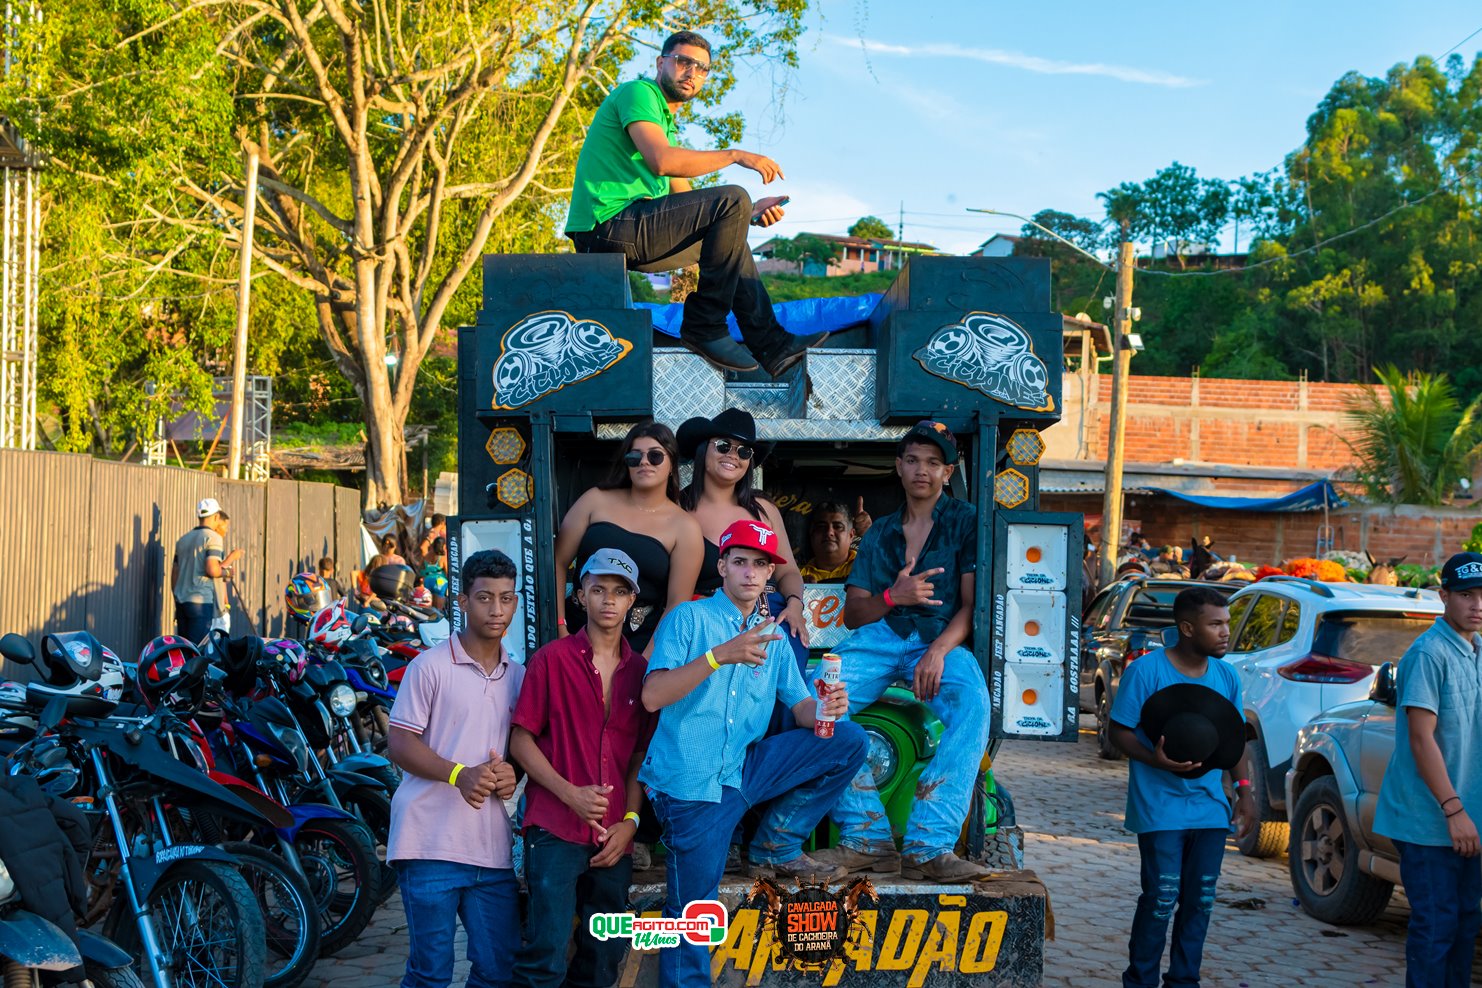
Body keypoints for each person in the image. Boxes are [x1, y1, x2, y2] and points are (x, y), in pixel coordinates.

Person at [640, 519, 866, 988]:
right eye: (739, 561)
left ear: (769, 575)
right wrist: (719, 656)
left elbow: (801, 707)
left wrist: (827, 705)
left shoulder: (774, 637)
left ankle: (774, 843)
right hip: (691, 784)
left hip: (742, 772)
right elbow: (652, 696)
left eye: (760, 564)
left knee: (848, 740)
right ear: (721, 565)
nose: (749, 572)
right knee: (693, 908)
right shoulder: (689, 618)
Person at [565, 30, 827, 378]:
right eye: (684, 62)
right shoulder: (638, 93)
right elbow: (661, 161)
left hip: (631, 232)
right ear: (661, 63)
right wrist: (735, 155)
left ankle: (773, 346)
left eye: (702, 68)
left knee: (733, 230)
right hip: (605, 226)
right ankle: (704, 325)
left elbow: (687, 203)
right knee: (732, 197)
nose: (692, 73)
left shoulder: (666, 125)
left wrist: (746, 217)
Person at [808, 421, 988, 883]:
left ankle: (929, 845)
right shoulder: (882, 532)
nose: (921, 470)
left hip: (939, 638)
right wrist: (896, 596)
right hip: (884, 635)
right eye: (912, 460)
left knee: (973, 704)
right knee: (817, 697)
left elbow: (969, 606)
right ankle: (868, 837)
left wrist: (939, 651)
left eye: (932, 462)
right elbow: (853, 615)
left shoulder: (966, 520)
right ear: (898, 467)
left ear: (947, 471)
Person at [509, 549, 653, 988]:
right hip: (554, 828)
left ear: (632, 602)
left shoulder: (643, 673)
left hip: (614, 837)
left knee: (602, 959)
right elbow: (520, 740)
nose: (608, 600)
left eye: (619, 591)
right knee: (544, 956)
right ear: (580, 597)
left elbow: (637, 760)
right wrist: (568, 792)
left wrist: (630, 822)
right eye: (598, 590)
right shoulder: (551, 660)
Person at [385, 549, 526, 988]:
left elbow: (519, 751)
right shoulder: (428, 667)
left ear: (516, 602)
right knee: (431, 973)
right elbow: (399, 743)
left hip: (491, 850)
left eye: (506, 598)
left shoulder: (519, 676)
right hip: (428, 843)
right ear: (462, 602)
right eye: (484, 598)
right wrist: (456, 774)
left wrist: (513, 775)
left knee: (497, 971)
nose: (497, 609)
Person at [1108, 586, 1256, 988]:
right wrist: (1152, 759)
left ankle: (1184, 981)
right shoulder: (1147, 671)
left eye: (1227, 623)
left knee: (1201, 900)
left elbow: (1234, 740)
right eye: (1216, 624)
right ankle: (1140, 981)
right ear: (1188, 628)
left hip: (1209, 806)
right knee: (1160, 898)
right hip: (1159, 807)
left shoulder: (1226, 675)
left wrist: (1244, 792)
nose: (1226, 632)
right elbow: (1118, 730)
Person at [1374, 552, 1482, 988]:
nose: (1477, 604)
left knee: (1464, 926)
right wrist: (1453, 810)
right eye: (1466, 595)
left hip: (1470, 819)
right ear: (1444, 597)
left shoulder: (1477, 650)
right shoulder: (1427, 653)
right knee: (1436, 928)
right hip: (1429, 819)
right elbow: (1421, 739)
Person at [554, 421, 703, 654]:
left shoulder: (685, 528)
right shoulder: (595, 499)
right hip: (576, 632)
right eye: (635, 457)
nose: (644, 462)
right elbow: (557, 562)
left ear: (672, 464)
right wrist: (559, 625)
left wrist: (647, 658)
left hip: (637, 643)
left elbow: (676, 605)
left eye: (655, 456)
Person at [677, 409, 808, 641]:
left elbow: (788, 571)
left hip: (768, 618)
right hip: (704, 627)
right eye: (723, 445)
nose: (733, 455)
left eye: (744, 451)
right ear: (702, 449)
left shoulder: (765, 510)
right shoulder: (677, 509)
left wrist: (795, 605)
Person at [171, 497, 243, 643]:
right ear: (216, 516)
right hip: (201, 602)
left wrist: (178, 595)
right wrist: (227, 572)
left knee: (185, 648)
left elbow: (175, 574)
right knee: (198, 650)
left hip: (181, 602)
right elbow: (212, 569)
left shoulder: (183, 539)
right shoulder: (213, 538)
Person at [799, 498, 872, 583]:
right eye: (822, 527)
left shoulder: (867, 566)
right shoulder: (798, 576)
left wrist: (872, 536)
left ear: (851, 535)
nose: (829, 532)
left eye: (838, 527)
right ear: (812, 533)